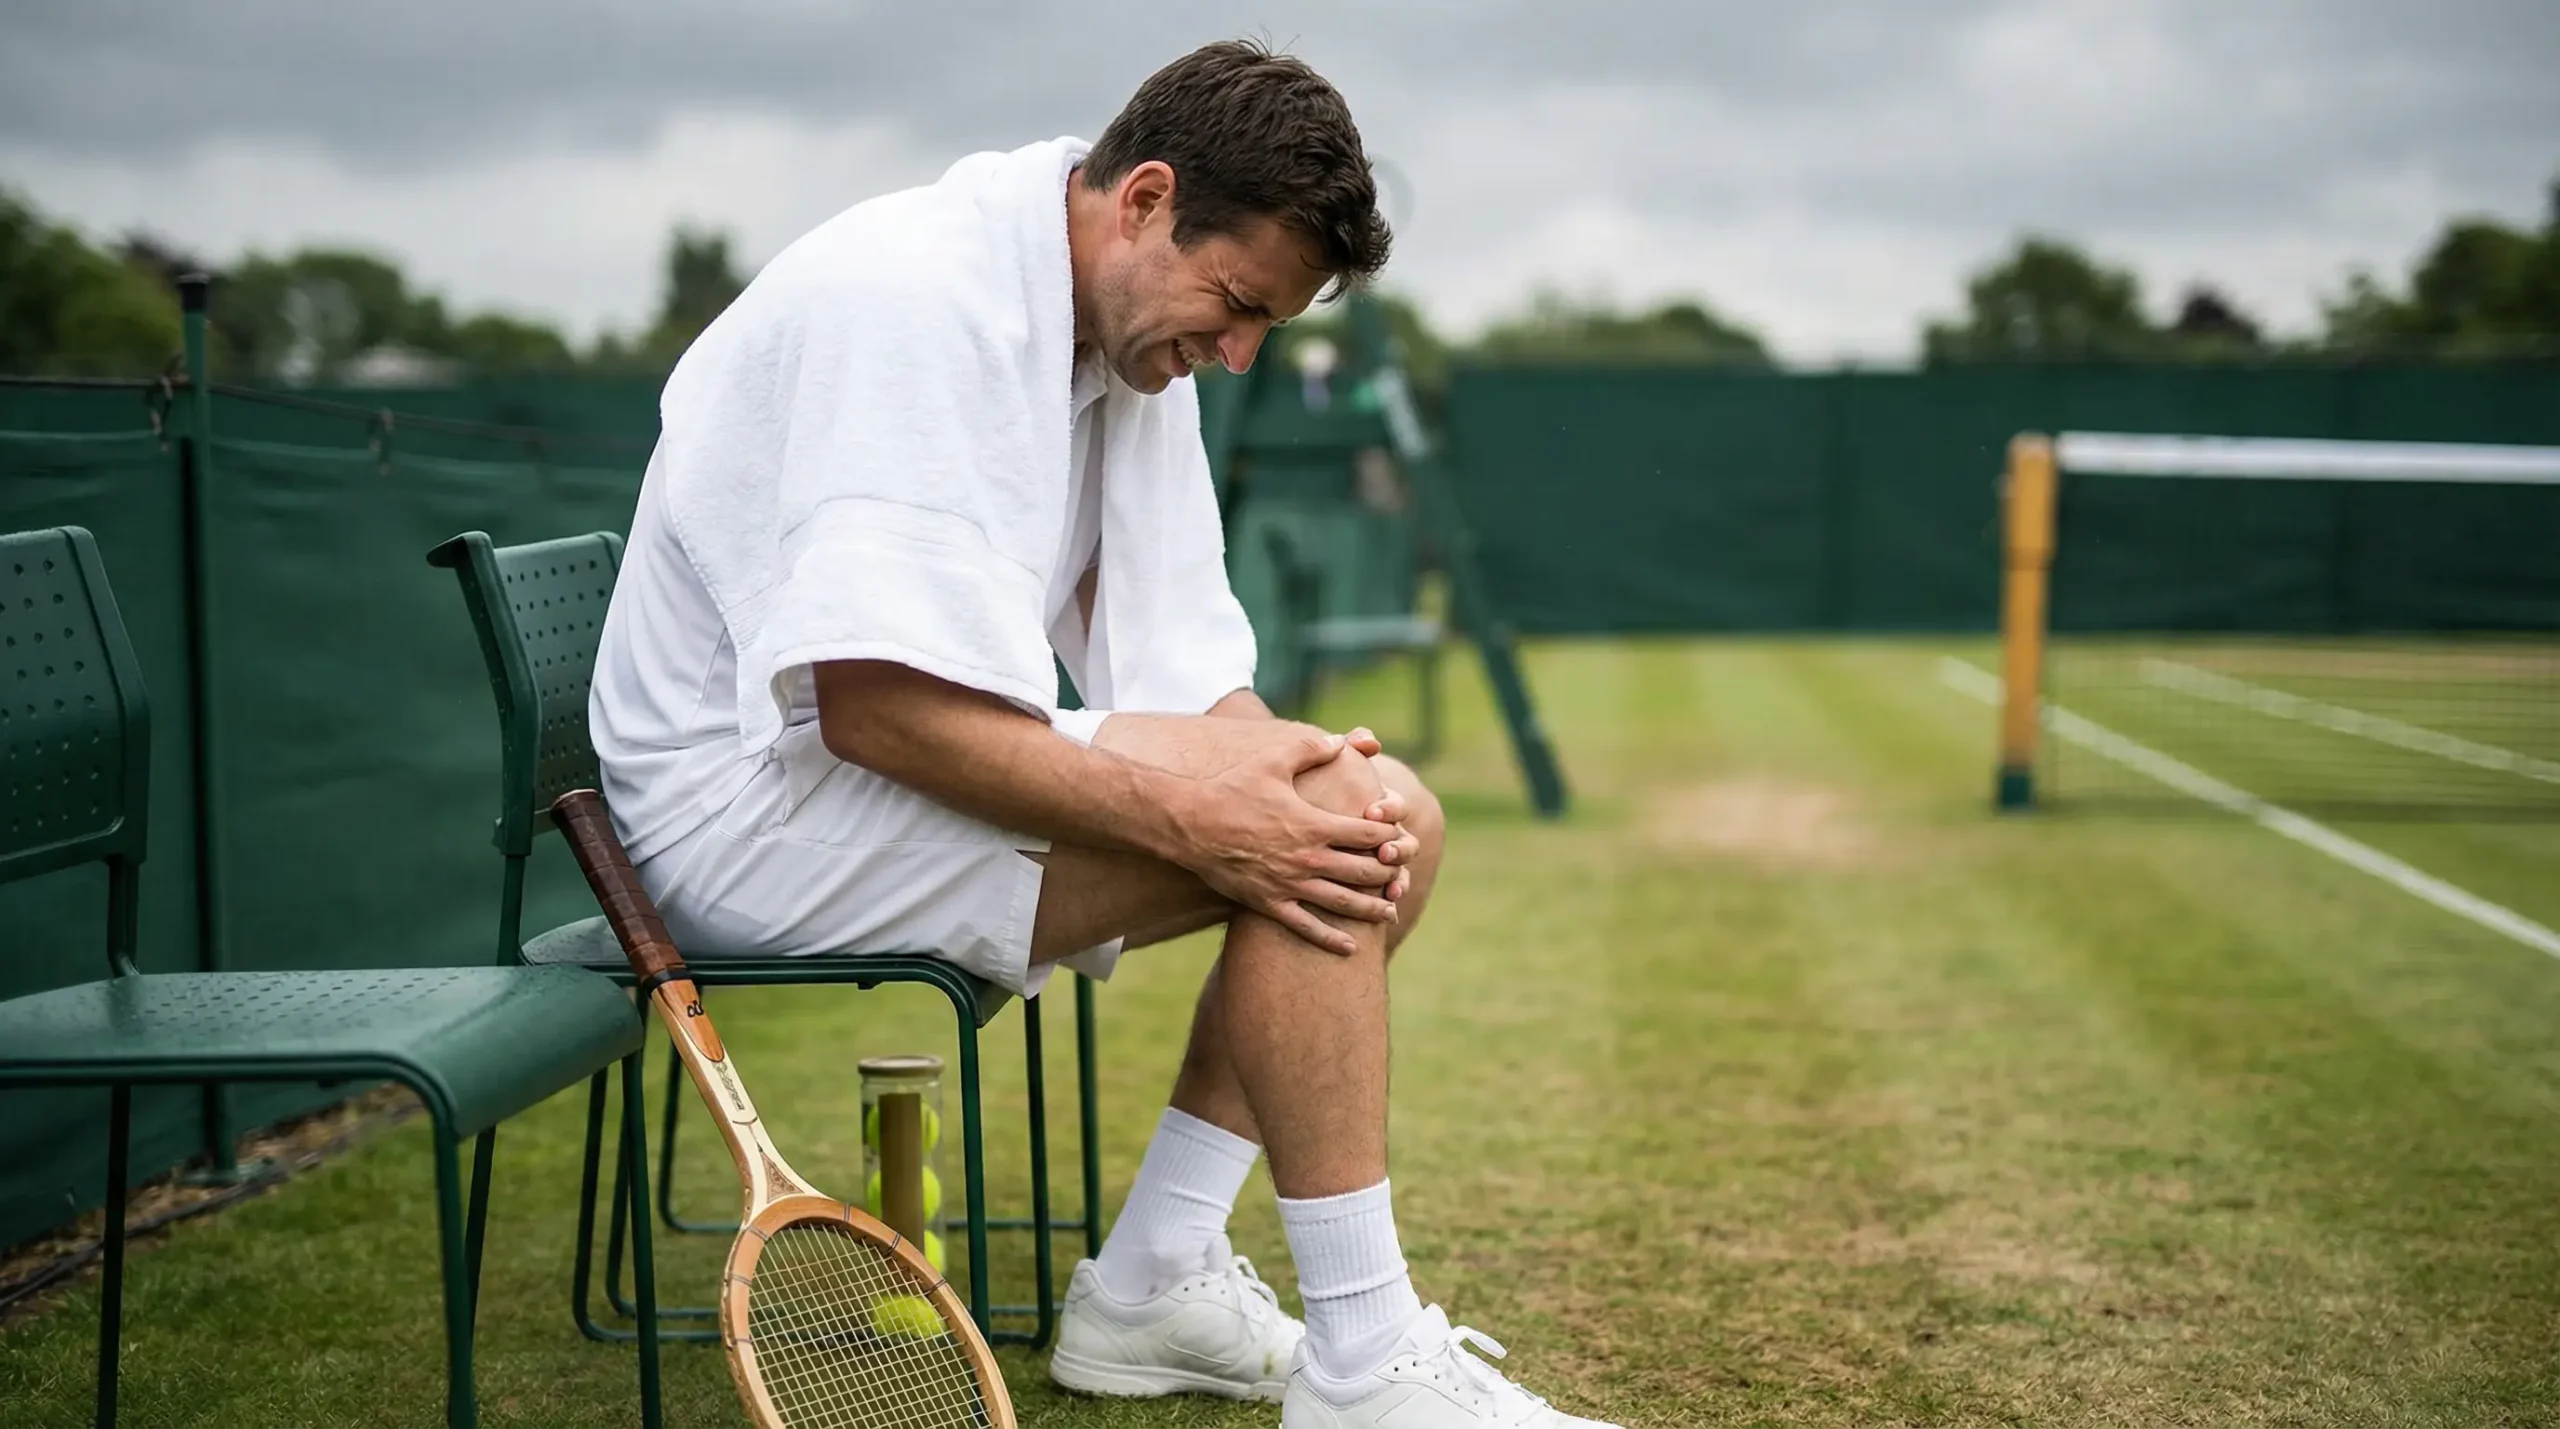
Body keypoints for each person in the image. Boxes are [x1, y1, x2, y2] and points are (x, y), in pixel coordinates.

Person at [589, 38, 1611, 1429]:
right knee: (1303, 834)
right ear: (1142, 198)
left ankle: (1152, 1289)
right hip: (741, 819)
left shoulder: (1126, 337)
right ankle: (1362, 1368)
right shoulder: (918, 298)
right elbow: (874, 710)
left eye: (1268, 328)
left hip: (853, 773)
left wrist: (1304, 778)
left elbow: (1201, 689)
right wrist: (1217, 823)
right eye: (1239, 303)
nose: (1240, 352)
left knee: (1372, 816)